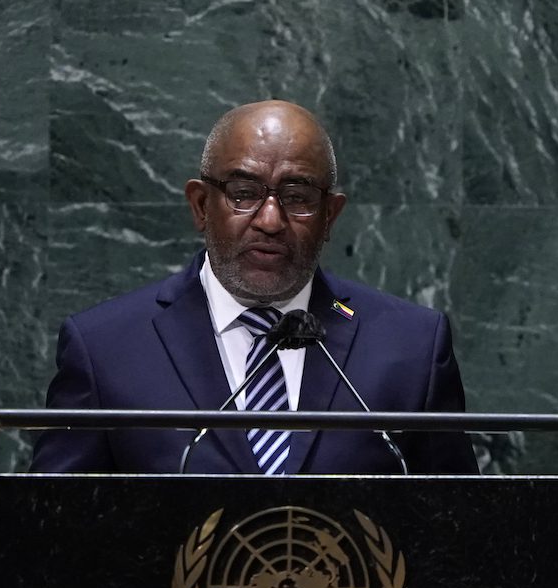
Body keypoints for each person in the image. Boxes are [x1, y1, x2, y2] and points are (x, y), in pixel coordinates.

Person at [30, 100, 477, 475]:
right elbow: (54, 528)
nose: (269, 220)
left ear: (330, 216)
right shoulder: (107, 349)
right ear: (201, 205)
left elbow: (459, 532)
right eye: (243, 193)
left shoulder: (410, 348)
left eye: (298, 197)